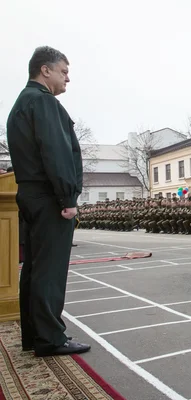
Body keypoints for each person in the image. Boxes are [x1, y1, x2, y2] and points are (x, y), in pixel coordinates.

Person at [6, 46, 90, 356]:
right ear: (45, 70)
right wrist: (67, 197)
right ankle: (51, 337)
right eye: (63, 71)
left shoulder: (21, 104)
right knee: (50, 270)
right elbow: (56, 152)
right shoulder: (43, 103)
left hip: (31, 193)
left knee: (34, 267)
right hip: (49, 197)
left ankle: (35, 334)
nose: (68, 78)